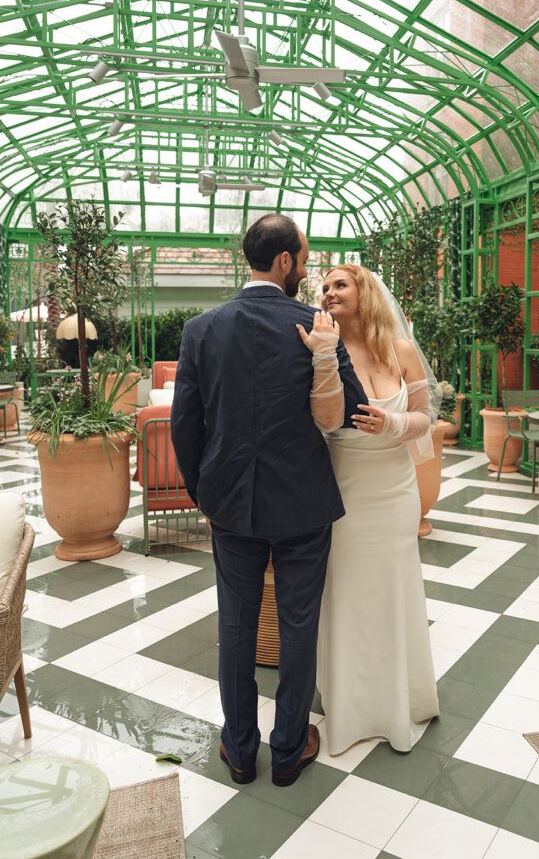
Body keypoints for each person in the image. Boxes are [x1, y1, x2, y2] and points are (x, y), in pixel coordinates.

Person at [170, 215, 368, 787]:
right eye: (303, 259)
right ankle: (287, 751)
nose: (306, 270)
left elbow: (186, 426)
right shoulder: (317, 325)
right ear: (284, 261)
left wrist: (202, 490)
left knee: (235, 626)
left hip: (230, 504)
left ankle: (238, 751)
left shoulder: (202, 330)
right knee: (299, 624)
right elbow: (352, 408)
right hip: (303, 502)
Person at [307, 263, 440, 755]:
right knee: (350, 595)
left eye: (340, 284)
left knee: (394, 589)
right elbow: (320, 419)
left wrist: (393, 425)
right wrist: (322, 357)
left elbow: (426, 417)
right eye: (324, 287)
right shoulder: (326, 349)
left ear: (366, 292)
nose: (329, 292)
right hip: (348, 489)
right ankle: (354, 705)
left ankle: (402, 699)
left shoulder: (401, 351)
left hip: (396, 489)